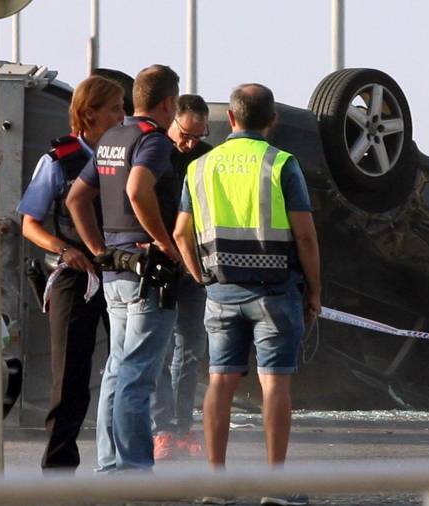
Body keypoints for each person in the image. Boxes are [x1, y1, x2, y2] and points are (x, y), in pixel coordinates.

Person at [173, 83, 321, 506]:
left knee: (220, 380)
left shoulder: (200, 166)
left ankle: (215, 484)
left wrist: (199, 275)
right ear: (271, 121)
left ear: (232, 119)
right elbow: (305, 236)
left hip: (221, 291)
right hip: (276, 292)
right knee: (275, 384)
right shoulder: (281, 164)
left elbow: (181, 232)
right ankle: (275, 486)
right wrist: (315, 288)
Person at [66, 64, 183, 472]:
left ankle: (111, 464)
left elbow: (76, 199)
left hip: (115, 271)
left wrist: (99, 248)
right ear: (169, 103)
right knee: (138, 374)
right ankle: (134, 470)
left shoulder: (112, 138)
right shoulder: (153, 141)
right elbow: (137, 189)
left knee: (117, 370)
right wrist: (166, 244)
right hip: (147, 275)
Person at [16, 75, 125, 471]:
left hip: (120, 273)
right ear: (89, 113)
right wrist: (65, 249)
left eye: (123, 107)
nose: (122, 116)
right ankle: (59, 468)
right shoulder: (58, 160)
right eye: (114, 109)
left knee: (126, 368)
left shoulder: (125, 155)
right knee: (71, 377)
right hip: (73, 277)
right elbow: (30, 223)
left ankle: (121, 462)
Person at [150, 94, 213, 460]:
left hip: (194, 264)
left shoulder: (206, 156)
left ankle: (184, 425)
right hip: (160, 261)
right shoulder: (155, 150)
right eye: (184, 135)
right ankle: (163, 429)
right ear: (171, 121)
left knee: (191, 348)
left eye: (196, 136)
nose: (188, 143)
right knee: (160, 348)